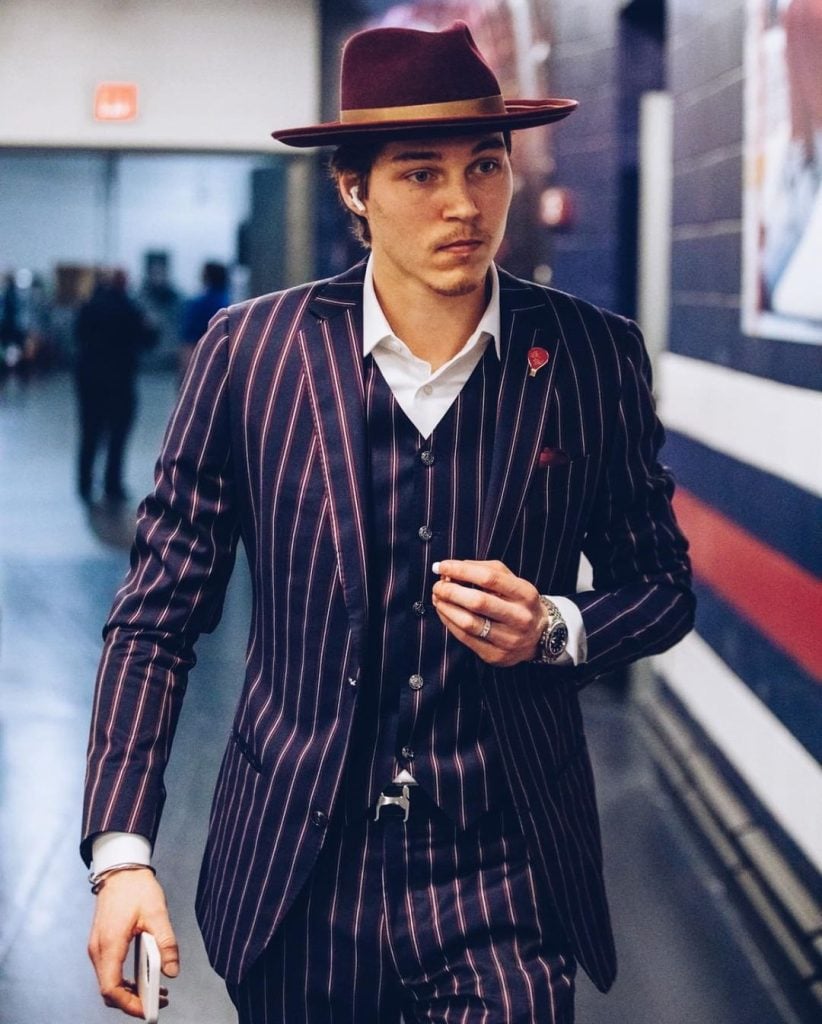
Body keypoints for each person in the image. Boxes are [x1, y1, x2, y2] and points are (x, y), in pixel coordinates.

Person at [82, 22, 694, 1024]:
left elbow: (662, 585)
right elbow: (156, 615)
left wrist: (556, 627)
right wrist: (121, 855)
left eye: (484, 165)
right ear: (354, 191)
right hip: (298, 876)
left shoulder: (592, 359)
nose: (464, 204)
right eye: (420, 174)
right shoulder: (251, 357)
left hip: (503, 877)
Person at [74, 269, 157, 502]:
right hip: (120, 378)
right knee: (118, 433)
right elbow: (148, 340)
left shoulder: (89, 306)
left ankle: (84, 483)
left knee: (90, 431)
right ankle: (112, 484)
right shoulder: (130, 308)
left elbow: (78, 335)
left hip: (89, 377)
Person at [179, 260, 229, 378]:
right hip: (224, 361)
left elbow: (190, 340)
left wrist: (186, 370)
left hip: (202, 359)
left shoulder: (199, 304)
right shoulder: (230, 302)